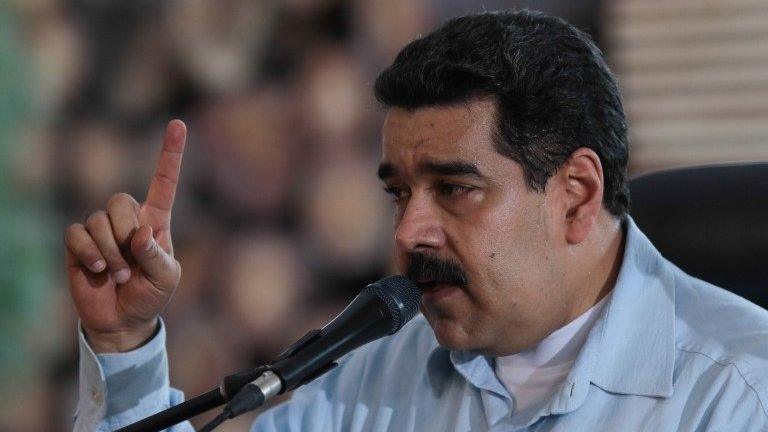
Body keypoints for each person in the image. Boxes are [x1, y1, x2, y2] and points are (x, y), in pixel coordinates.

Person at [67, 10, 768, 431]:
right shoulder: (371, 375)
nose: (407, 234)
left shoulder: (741, 395)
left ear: (578, 195)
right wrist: (125, 342)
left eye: (455, 190)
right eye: (399, 193)